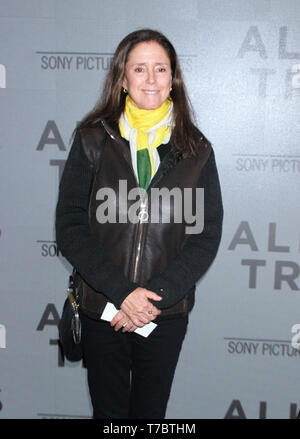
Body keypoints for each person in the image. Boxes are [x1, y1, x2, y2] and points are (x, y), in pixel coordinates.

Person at [55, 28, 223, 419]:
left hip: (164, 313)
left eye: (161, 69)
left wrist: (152, 297)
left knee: (151, 417)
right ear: (123, 78)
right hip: (104, 309)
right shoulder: (92, 141)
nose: (151, 80)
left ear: (173, 79)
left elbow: (206, 235)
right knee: (109, 417)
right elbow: (70, 227)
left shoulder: (197, 151)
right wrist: (122, 293)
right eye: (140, 69)